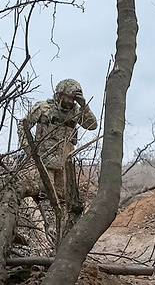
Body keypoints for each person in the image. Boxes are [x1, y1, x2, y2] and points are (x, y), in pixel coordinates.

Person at [18, 78, 98, 210]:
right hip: (44, 161)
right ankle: (42, 224)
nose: (71, 102)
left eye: (74, 99)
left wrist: (84, 106)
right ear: (59, 95)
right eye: (69, 98)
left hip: (64, 164)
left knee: (63, 200)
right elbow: (23, 125)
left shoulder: (77, 112)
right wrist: (29, 149)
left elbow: (92, 125)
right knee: (44, 195)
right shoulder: (44, 108)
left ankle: (59, 227)